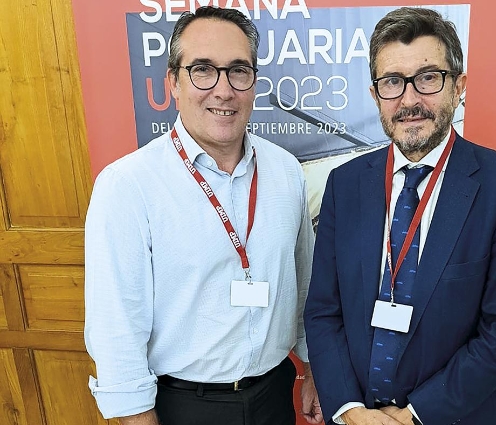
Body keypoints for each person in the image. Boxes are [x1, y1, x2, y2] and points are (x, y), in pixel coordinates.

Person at [84, 7, 322, 425]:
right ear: (173, 82)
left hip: (273, 395)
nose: (223, 90)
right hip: (183, 407)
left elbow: (303, 284)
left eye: (238, 71)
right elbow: (116, 327)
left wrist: (313, 367)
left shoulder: (286, 170)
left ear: (253, 83)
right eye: (203, 71)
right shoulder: (127, 185)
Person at [304, 7, 496, 425]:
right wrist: (349, 409)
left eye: (428, 78)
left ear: (458, 86)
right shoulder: (344, 184)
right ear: (376, 94)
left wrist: (413, 416)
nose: (409, 99)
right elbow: (324, 311)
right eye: (392, 82)